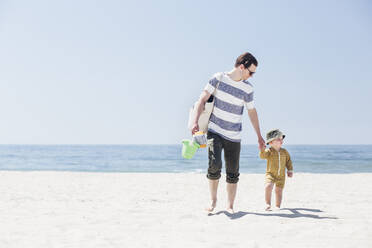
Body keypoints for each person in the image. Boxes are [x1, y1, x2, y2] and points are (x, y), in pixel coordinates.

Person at [191, 52, 265, 214]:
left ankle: (230, 205)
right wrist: (195, 121)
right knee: (214, 164)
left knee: (232, 172)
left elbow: (252, 112)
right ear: (241, 67)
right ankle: (213, 200)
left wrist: (259, 136)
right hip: (215, 130)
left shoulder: (247, 88)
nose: (251, 76)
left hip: (234, 135)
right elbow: (202, 99)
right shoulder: (219, 78)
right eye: (250, 72)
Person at [259, 129, 293, 211]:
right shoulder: (269, 151)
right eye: (278, 139)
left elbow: (288, 161)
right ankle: (268, 203)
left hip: (281, 176)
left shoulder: (284, 152)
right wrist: (262, 149)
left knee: (279, 191)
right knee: (268, 186)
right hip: (270, 174)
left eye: (282, 139)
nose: (281, 140)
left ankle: (278, 205)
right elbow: (262, 156)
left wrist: (290, 170)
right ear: (271, 142)